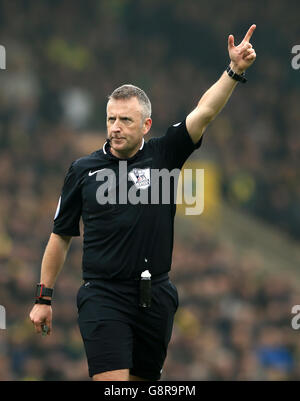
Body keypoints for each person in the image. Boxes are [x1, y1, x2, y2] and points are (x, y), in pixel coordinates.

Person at [29, 25, 257, 381]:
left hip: (156, 297)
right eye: (110, 119)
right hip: (103, 296)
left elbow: (204, 112)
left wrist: (233, 71)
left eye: (125, 120)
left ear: (146, 124)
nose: (115, 127)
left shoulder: (164, 154)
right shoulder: (82, 170)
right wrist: (44, 298)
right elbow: (60, 236)